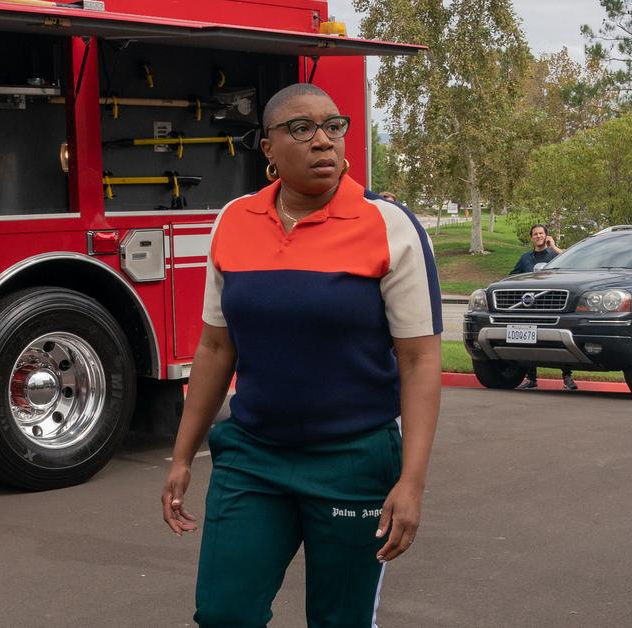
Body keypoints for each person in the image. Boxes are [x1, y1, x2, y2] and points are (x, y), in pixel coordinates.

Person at [160, 83, 442, 628]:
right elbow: (217, 347)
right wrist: (180, 456)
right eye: (302, 129)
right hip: (252, 457)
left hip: (354, 461)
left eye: (333, 127)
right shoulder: (234, 221)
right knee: (224, 614)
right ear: (267, 147)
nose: (323, 141)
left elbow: (420, 361)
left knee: (340, 621)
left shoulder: (388, 224)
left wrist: (411, 481)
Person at [510, 224, 576, 390]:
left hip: (552, 307)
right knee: (528, 340)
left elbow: (572, 261)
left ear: (546, 236)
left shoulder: (555, 255)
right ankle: (531, 378)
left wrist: (553, 246)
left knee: (559, 342)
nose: (538, 236)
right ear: (531, 237)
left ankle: (567, 378)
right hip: (529, 307)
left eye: (541, 233)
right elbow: (513, 276)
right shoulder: (525, 258)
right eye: (535, 234)